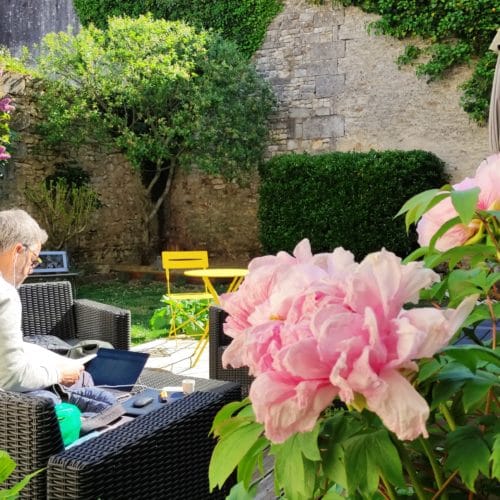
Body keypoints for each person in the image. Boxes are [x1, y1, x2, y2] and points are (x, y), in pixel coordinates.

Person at [0, 208, 84, 392]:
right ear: (18, 251)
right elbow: (13, 378)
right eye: (32, 260)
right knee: (88, 386)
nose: (30, 271)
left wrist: (53, 359)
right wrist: (59, 373)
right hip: (11, 410)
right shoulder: (5, 295)